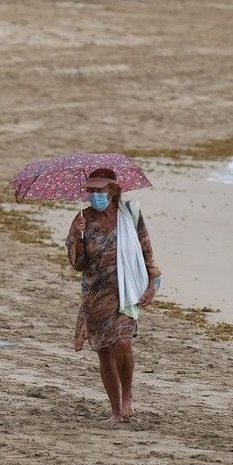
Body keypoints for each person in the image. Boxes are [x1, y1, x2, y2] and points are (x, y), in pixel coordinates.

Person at [66, 168, 162, 424]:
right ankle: (115, 411)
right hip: (96, 295)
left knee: (123, 344)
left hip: (125, 291)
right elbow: (77, 263)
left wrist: (152, 284)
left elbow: (146, 250)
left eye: (100, 190)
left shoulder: (130, 215)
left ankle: (128, 396)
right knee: (105, 352)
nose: (95, 196)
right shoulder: (83, 219)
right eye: (91, 191)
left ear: (112, 190)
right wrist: (77, 235)